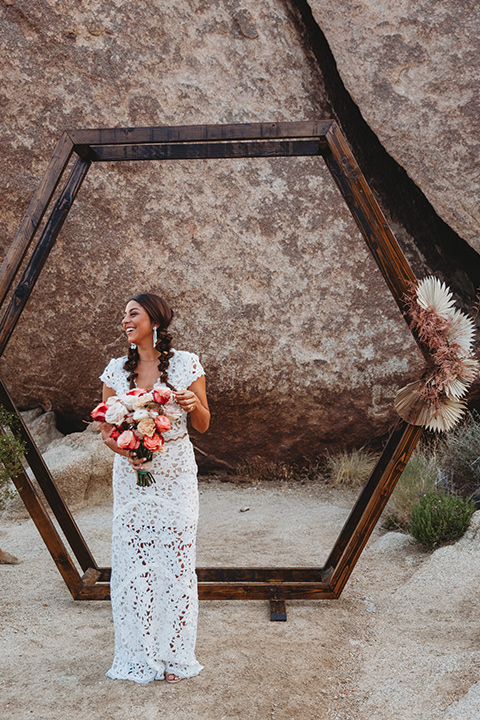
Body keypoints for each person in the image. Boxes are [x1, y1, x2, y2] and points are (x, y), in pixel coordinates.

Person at [99, 292, 210, 684]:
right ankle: (139, 654)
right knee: (135, 565)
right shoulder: (115, 370)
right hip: (132, 480)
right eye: (123, 315)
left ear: (155, 321)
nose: (125, 321)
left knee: (175, 564)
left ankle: (175, 656)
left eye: (133, 314)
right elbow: (106, 431)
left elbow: (203, 424)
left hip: (177, 475)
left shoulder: (185, 364)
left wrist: (194, 403)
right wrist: (127, 449)